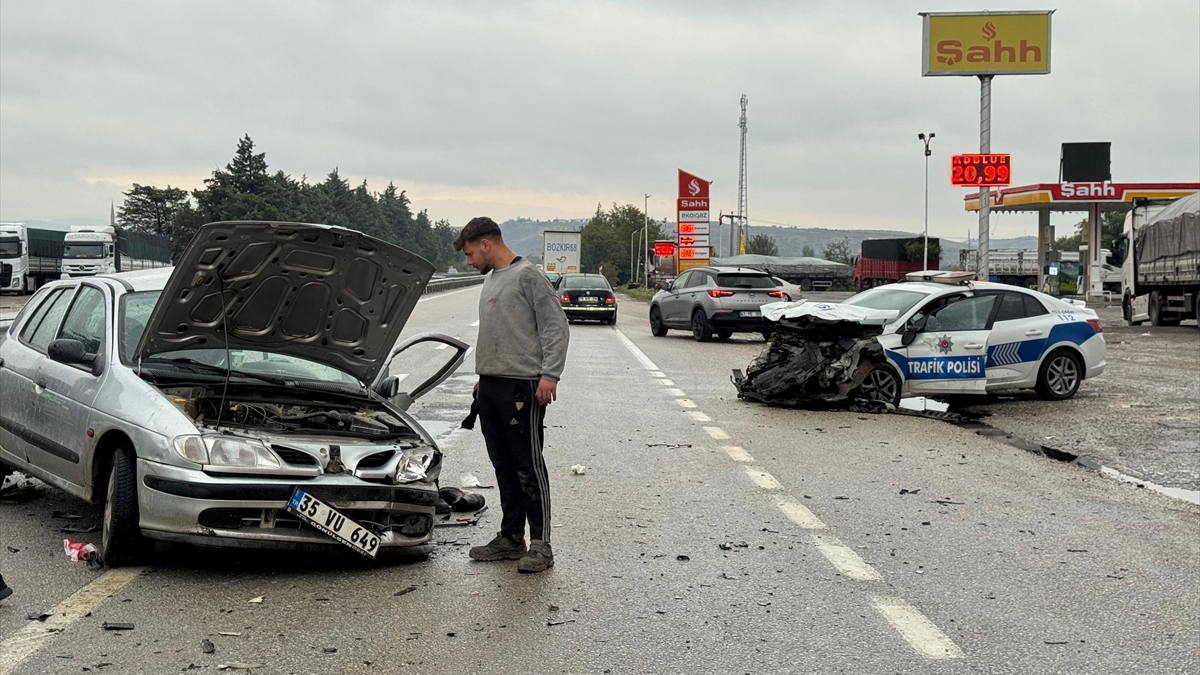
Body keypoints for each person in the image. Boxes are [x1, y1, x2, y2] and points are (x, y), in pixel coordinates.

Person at [454, 217, 569, 573]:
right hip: (491, 386)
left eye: (471, 253)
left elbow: (555, 326)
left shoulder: (528, 276)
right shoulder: (491, 279)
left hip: (523, 387)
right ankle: (510, 538)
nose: (469, 262)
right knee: (503, 465)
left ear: (486, 244)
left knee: (528, 466)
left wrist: (550, 375)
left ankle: (541, 544)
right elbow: (498, 332)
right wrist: (483, 379)